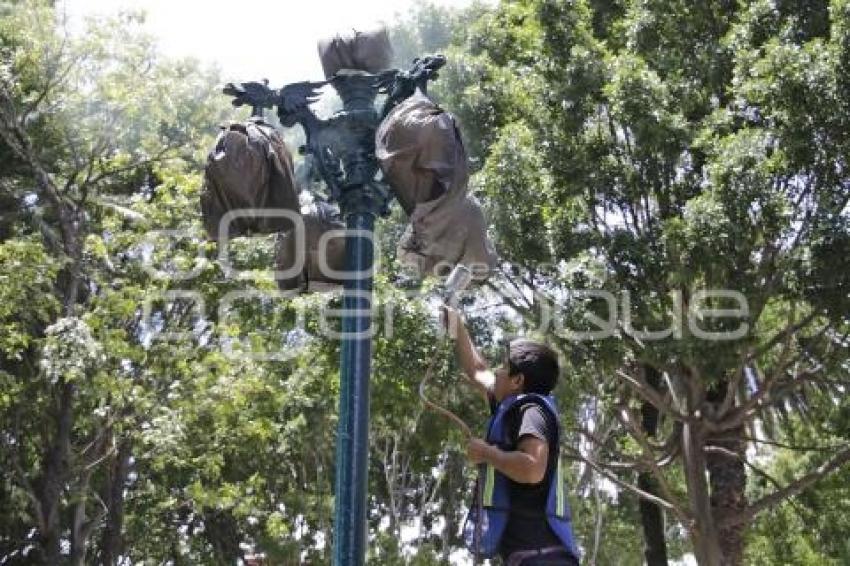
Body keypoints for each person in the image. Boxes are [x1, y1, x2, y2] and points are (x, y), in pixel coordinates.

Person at [443, 306, 580, 566]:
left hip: (543, 557)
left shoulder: (531, 411)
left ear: (517, 381)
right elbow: (477, 370)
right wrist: (455, 325)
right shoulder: (512, 406)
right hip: (531, 556)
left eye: (504, 366)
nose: (497, 370)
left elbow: (531, 469)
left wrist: (486, 453)